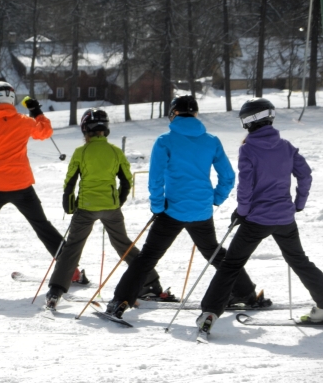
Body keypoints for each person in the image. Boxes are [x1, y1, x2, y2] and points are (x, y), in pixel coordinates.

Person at [106, 95, 268, 319]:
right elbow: (228, 177)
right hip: (201, 211)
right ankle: (247, 294)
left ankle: (119, 302)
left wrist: (156, 205)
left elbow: (155, 180)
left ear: (173, 113)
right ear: (195, 114)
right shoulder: (211, 140)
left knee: (148, 257)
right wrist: (215, 199)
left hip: (171, 211)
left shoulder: (165, 140)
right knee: (215, 254)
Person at [197, 98, 323, 333]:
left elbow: (246, 187)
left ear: (248, 123)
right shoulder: (286, 146)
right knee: (299, 261)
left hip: (256, 220)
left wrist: (241, 213)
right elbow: (305, 175)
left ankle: (210, 313)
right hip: (285, 218)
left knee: (231, 264)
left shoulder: (248, 148)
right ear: (270, 117)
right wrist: (298, 204)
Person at [0, 81, 85, 292]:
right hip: (22, 187)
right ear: (11, 99)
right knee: (42, 226)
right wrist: (36, 111)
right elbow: (45, 132)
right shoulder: (24, 121)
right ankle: (71, 269)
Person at [45, 108, 164, 310]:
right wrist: (117, 201)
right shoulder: (115, 152)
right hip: (111, 208)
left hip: (85, 208)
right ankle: (151, 282)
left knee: (73, 247)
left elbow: (70, 181)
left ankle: (56, 290)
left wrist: (69, 204)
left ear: (85, 130)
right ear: (105, 130)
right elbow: (126, 181)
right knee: (123, 245)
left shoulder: (81, 152)